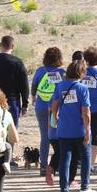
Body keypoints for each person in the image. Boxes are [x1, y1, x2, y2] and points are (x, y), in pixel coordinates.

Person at [48, 61, 95, 192]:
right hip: (79, 129)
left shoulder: (60, 86)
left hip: (63, 129)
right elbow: (86, 111)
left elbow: (54, 104)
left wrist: (55, 118)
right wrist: (88, 130)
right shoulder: (82, 88)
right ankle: (85, 187)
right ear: (81, 72)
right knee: (86, 157)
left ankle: (64, 190)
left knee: (65, 159)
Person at [0, 36, 29, 144]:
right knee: (11, 132)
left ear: (0, 45)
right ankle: (8, 157)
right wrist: (25, 104)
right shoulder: (18, 62)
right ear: (13, 46)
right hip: (12, 101)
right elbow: (24, 84)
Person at [31, 47, 65, 175]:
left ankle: (43, 166)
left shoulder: (40, 70)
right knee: (58, 136)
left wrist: (33, 99)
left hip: (41, 106)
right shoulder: (62, 72)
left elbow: (34, 87)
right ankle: (59, 164)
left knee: (44, 137)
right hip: (56, 108)